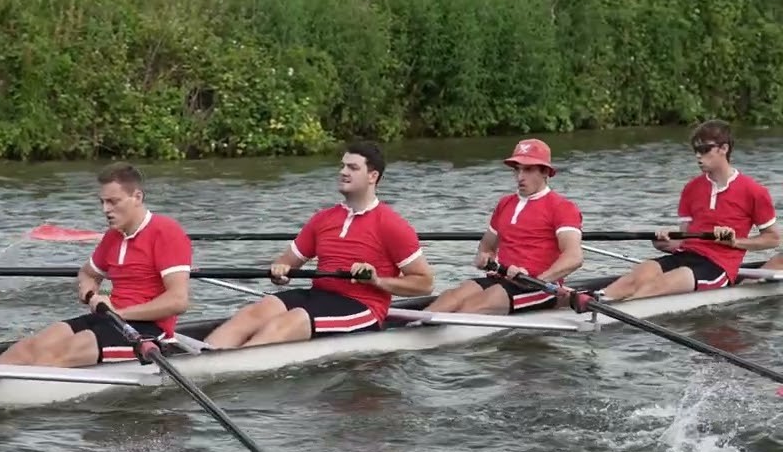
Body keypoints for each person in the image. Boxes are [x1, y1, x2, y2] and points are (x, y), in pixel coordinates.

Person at [203, 140, 434, 349]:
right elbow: (286, 263)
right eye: (342, 166)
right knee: (254, 311)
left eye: (352, 168)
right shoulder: (323, 219)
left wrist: (377, 280)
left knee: (291, 321)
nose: (343, 172)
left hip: (362, 306)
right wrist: (281, 272)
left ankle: (226, 367)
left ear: (372, 176)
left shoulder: (392, 224)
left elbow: (425, 283)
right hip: (319, 295)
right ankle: (202, 357)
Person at [0, 162, 192, 367]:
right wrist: (90, 293)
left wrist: (118, 313)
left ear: (137, 197)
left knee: (57, 355)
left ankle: (12, 391)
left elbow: (178, 301)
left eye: (113, 202)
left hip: (148, 332)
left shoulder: (166, 232)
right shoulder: (113, 236)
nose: (106, 209)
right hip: (110, 317)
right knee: (30, 346)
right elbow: (87, 273)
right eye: (102, 202)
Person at [598, 120, 777, 300]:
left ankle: (612, 312)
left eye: (705, 150)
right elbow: (683, 240)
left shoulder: (754, 191)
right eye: (696, 151)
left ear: (724, 149)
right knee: (641, 272)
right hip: (685, 255)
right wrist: (663, 241)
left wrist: (734, 242)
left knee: (660, 285)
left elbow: (773, 239)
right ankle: (595, 300)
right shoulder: (692, 188)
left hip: (717, 266)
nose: (699, 156)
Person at [425, 139, 583, 315]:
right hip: (501, 278)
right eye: (517, 169)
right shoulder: (505, 203)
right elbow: (487, 247)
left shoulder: (562, 207)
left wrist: (537, 279)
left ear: (545, 171)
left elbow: (574, 257)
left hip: (539, 287)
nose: (520, 177)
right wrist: (484, 258)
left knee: (472, 306)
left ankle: (437, 333)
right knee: (451, 297)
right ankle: (414, 327)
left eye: (528, 169)